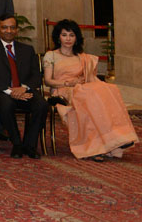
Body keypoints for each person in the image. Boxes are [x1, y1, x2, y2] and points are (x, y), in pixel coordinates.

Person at [43, 19, 138, 161]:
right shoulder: (51, 55)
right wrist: (68, 82)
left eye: (71, 35)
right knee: (89, 95)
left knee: (108, 90)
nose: (68, 39)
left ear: (76, 38)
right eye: (64, 35)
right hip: (62, 89)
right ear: (58, 37)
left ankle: (118, 138)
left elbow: (91, 78)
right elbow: (48, 81)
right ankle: (94, 147)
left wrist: (104, 88)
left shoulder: (82, 57)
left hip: (83, 88)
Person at [0, 16, 48, 159]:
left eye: (12, 27)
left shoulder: (27, 49)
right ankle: (17, 144)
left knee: (42, 105)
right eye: (4, 27)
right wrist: (10, 91)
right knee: (5, 104)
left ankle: (30, 145)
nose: (9, 31)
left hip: (24, 90)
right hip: (1, 92)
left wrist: (23, 88)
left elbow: (36, 76)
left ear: (17, 30)